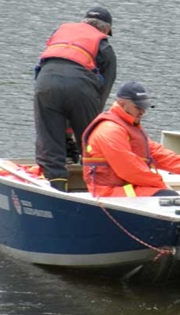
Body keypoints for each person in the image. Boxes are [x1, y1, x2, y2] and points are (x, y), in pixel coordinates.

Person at [34, 6, 117, 192]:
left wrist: (64, 127)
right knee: (90, 140)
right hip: (81, 86)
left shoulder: (61, 32)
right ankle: (98, 189)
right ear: (105, 29)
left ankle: (57, 188)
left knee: (49, 137)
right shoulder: (104, 46)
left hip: (44, 82)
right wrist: (85, 121)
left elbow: (48, 61)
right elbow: (102, 93)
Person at [81, 81, 180, 197]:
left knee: (166, 194)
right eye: (138, 107)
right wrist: (160, 184)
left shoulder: (128, 124)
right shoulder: (110, 130)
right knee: (167, 197)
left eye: (144, 107)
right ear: (122, 103)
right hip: (107, 192)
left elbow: (155, 153)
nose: (142, 111)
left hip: (124, 185)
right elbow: (128, 169)